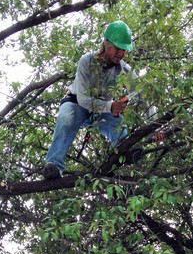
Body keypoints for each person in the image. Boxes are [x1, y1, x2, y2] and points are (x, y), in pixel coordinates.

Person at [42, 20, 139, 179]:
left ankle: (125, 151)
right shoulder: (87, 60)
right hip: (76, 103)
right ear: (107, 44)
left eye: (124, 50)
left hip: (102, 111)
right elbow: (84, 100)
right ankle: (54, 165)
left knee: (119, 126)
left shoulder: (123, 69)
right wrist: (111, 106)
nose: (121, 53)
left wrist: (127, 100)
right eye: (118, 48)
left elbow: (142, 91)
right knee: (66, 120)